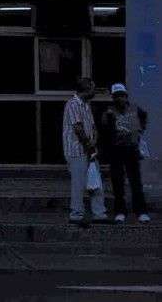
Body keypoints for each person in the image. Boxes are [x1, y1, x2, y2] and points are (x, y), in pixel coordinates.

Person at [101, 82, 151, 223]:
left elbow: (144, 117)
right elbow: (104, 129)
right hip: (116, 150)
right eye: (116, 96)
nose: (119, 99)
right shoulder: (109, 111)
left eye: (122, 96)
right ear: (113, 97)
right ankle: (120, 211)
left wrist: (140, 131)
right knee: (118, 182)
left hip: (132, 149)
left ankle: (141, 212)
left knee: (136, 182)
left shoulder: (135, 109)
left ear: (126, 96)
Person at [62, 77, 107, 225]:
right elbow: (78, 128)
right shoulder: (73, 104)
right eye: (93, 89)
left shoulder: (86, 105)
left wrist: (94, 141)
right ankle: (76, 215)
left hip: (89, 149)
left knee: (96, 181)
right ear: (86, 89)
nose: (94, 92)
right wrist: (89, 144)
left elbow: (92, 127)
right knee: (79, 184)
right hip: (77, 151)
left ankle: (99, 214)